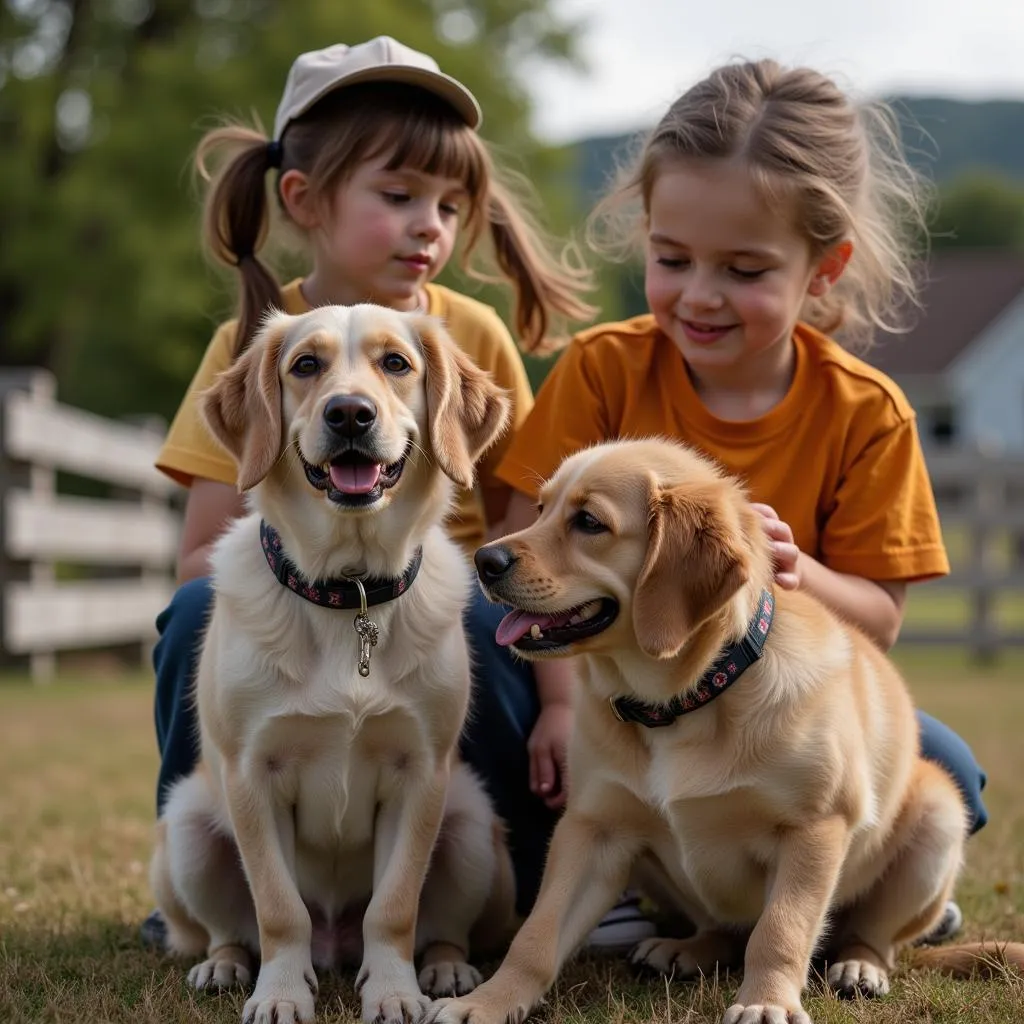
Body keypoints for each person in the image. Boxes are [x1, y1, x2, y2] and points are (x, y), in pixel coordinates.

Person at [490, 58, 986, 947]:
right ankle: (608, 884)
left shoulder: (865, 412)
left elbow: (880, 618)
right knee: (502, 701)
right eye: (671, 259)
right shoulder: (603, 367)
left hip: (775, 710)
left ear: (823, 267)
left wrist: (794, 571)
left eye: (745, 268)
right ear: (644, 234)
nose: (701, 294)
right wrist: (561, 707)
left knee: (942, 766)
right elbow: (525, 549)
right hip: (615, 699)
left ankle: (858, 913)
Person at [141, 36, 601, 948]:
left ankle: (508, 881)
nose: (430, 224)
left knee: (481, 610)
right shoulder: (254, 346)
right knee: (197, 610)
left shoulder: (471, 337)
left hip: (437, 616)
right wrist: (311, 592)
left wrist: (560, 705)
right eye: (398, 198)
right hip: (291, 606)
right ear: (304, 200)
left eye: (448, 204)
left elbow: (529, 546)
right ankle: (208, 890)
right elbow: (201, 548)